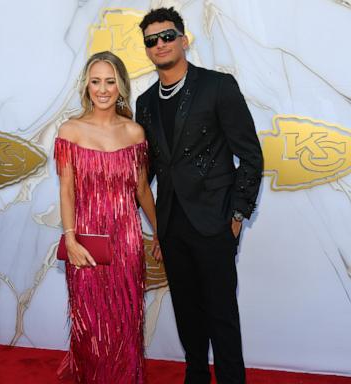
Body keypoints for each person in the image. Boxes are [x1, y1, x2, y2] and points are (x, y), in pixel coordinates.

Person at [135, 7, 263, 384]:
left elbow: (251, 156)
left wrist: (237, 216)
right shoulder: (145, 103)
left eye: (167, 36)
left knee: (221, 314)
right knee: (187, 313)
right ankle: (195, 377)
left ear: (183, 40)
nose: (160, 44)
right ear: (147, 50)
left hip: (215, 221)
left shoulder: (217, 86)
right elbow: (152, 171)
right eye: (152, 40)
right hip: (172, 225)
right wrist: (154, 226)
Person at [54, 51, 161, 383]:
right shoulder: (70, 130)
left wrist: (160, 232)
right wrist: (70, 237)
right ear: (86, 86)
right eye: (96, 81)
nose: (102, 89)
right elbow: (67, 189)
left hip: (126, 242)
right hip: (86, 244)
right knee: (89, 323)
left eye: (110, 81)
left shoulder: (134, 133)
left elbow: (142, 190)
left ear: (121, 87)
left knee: (126, 323)